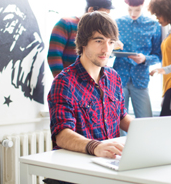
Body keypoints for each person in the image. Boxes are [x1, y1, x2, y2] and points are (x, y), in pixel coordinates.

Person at [47, 11, 133, 166]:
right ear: (83, 42)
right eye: (99, 41)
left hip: (109, 164)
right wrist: (96, 147)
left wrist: (148, 132)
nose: (106, 49)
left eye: (111, 42)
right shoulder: (64, 82)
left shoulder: (114, 77)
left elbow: (121, 117)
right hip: (77, 169)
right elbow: (62, 134)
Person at [113, 0, 162, 118]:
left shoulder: (153, 25)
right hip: (119, 78)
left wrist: (145, 59)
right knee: (116, 122)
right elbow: (108, 50)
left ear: (143, 6)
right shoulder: (116, 23)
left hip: (140, 79)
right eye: (130, 10)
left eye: (137, 10)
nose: (133, 13)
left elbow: (158, 56)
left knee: (145, 120)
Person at [47, 0, 119, 77]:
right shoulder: (66, 24)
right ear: (91, 10)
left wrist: (113, 45)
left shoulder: (102, 32)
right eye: (103, 14)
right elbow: (53, 56)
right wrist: (63, 81)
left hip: (92, 83)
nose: (106, 19)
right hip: (70, 83)